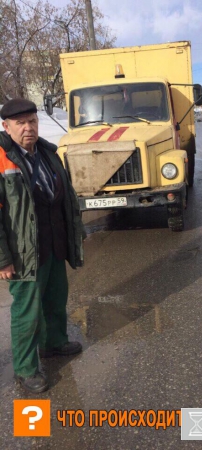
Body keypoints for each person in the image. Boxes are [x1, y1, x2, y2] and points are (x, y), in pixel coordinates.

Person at [0, 98, 86, 394]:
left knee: (55, 297)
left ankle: (54, 343)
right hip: (23, 252)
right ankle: (25, 369)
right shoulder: (2, 157)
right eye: (20, 123)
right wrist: (3, 259)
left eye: (32, 121)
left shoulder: (49, 153)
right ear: (6, 126)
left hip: (53, 242)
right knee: (27, 311)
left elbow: (64, 196)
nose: (28, 128)